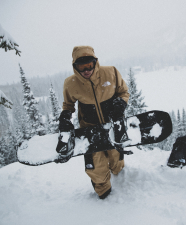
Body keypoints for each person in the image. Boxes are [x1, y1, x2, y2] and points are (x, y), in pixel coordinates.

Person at [57, 46, 130, 199]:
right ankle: (102, 189)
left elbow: (123, 92)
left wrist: (121, 103)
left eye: (89, 65)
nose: (86, 70)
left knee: (116, 156)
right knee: (96, 165)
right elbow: (68, 105)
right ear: (75, 67)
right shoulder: (70, 83)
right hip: (89, 129)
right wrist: (65, 116)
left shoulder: (111, 72)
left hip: (112, 124)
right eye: (81, 66)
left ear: (95, 62)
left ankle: (119, 173)